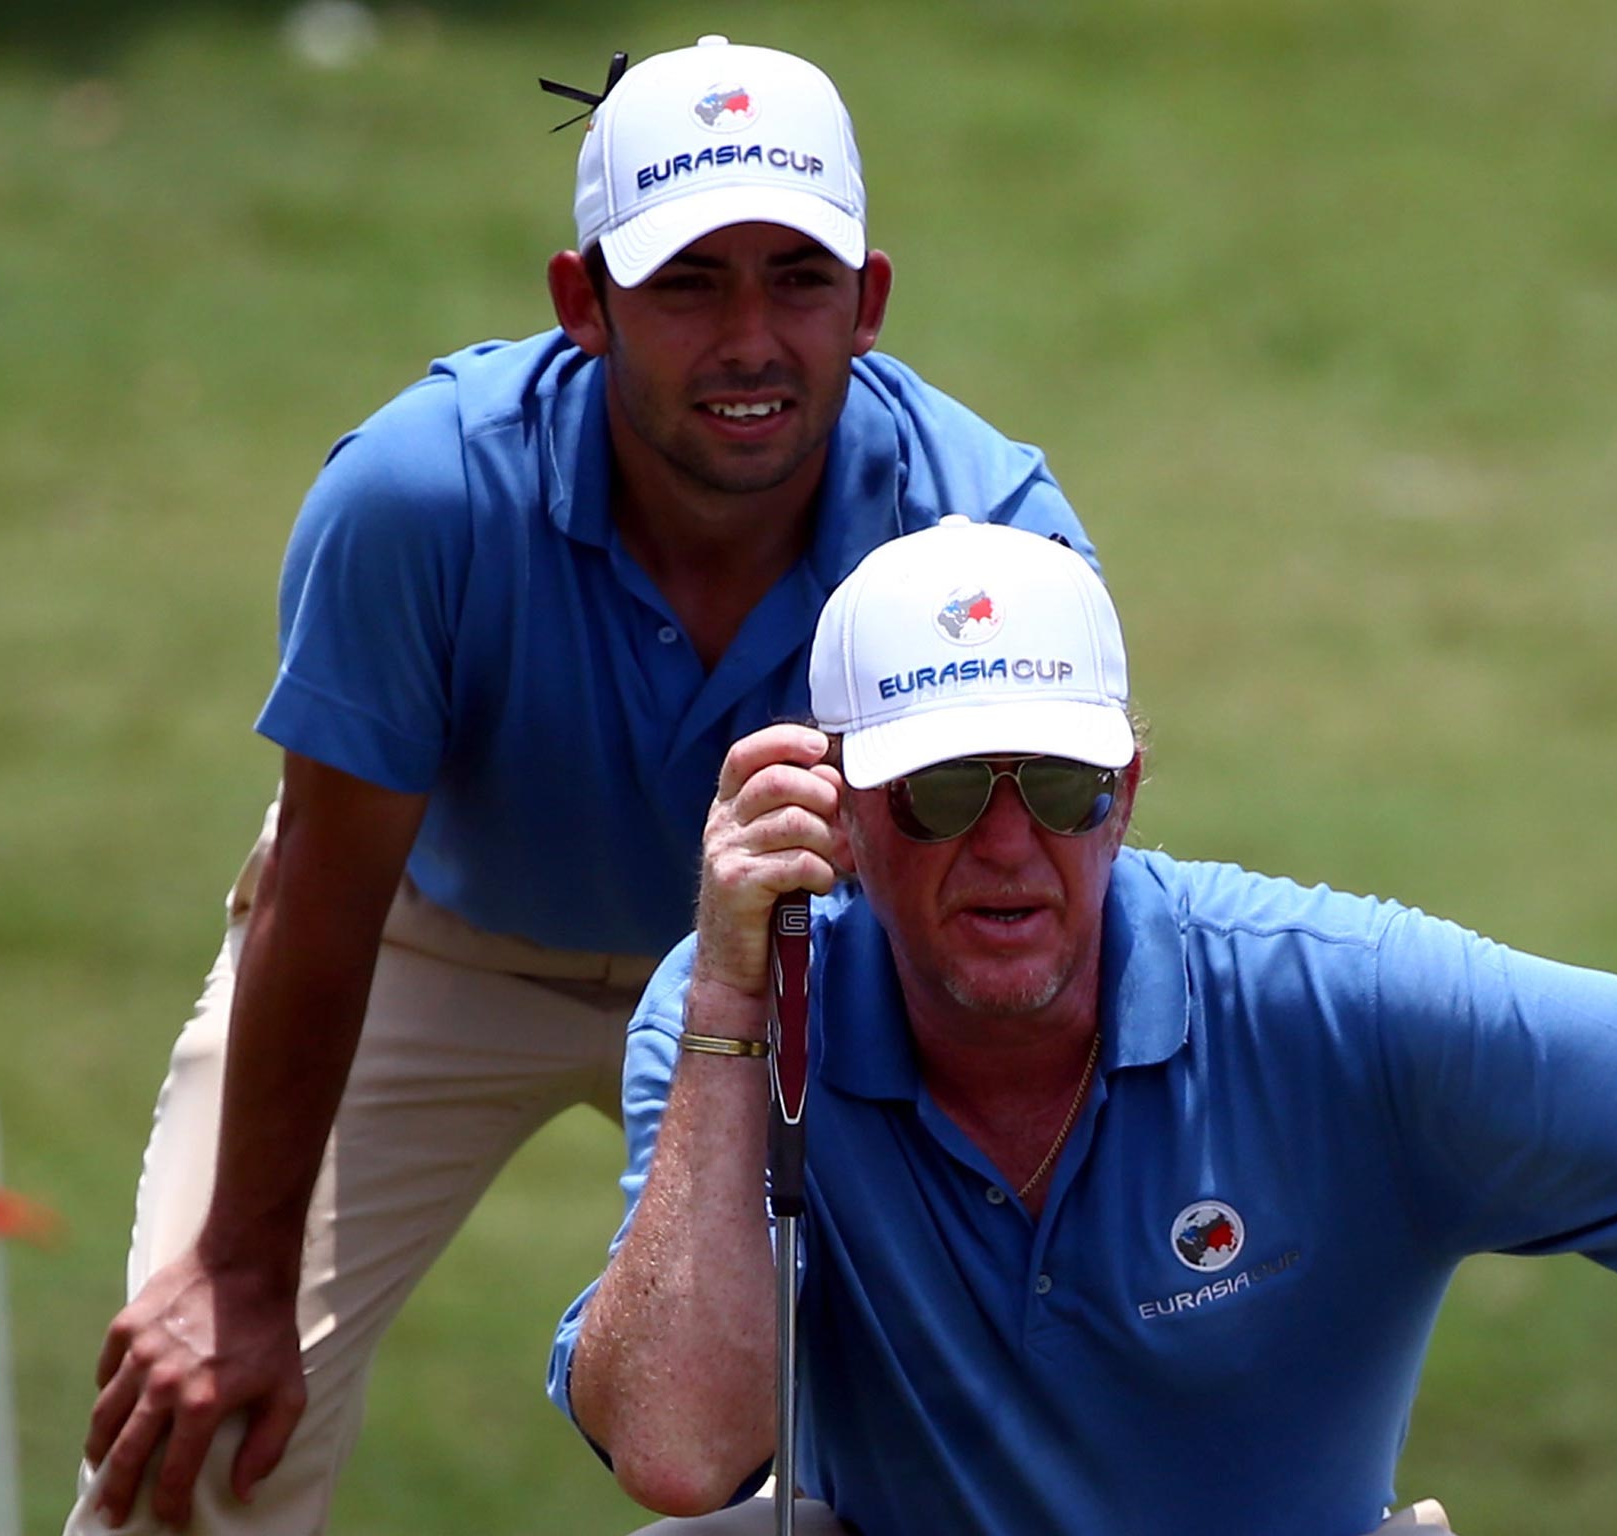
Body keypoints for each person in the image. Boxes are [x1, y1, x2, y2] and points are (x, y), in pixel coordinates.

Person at [69, 36, 1099, 1536]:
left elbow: (1040, 916)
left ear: (869, 304)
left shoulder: (985, 546)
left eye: (798, 281)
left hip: (816, 974)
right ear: (582, 302)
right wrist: (237, 1271)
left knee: (918, 1443)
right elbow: (325, 891)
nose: (751, 338)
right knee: (203, 1412)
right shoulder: (422, 497)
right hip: (438, 945)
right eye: (688, 284)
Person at [552, 516, 1617, 1536]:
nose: (1011, 846)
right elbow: (677, 1453)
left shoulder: (1332, 998)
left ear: (1127, 792)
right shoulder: (744, 1007)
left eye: (1063, 787)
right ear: (838, 811)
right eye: (946, 791)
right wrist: (730, 998)